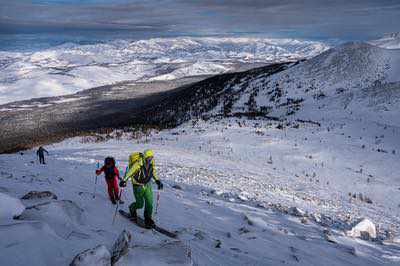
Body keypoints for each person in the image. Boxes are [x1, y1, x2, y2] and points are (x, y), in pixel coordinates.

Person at [120, 149, 163, 228]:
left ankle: (148, 218)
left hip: (147, 185)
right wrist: (124, 180)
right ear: (145, 157)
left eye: (151, 158)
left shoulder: (151, 163)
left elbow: (153, 172)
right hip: (138, 186)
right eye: (148, 158)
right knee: (140, 204)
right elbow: (130, 172)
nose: (150, 160)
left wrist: (157, 180)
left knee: (149, 203)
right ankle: (132, 209)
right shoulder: (138, 164)